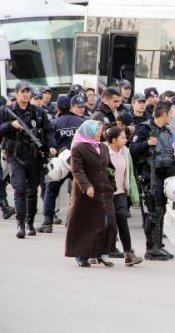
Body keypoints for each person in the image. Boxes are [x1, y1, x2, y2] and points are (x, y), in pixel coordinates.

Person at [0, 81, 56, 238]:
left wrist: (51, 146)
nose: (25, 94)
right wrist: (11, 125)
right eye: (22, 91)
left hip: (35, 156)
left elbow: (48, 130)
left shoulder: (38, 112)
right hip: (16, 156)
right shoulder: (6, 111)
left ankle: (30, 221)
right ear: (17, 93)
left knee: (32, 191)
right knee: (19, 190)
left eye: (27, 91)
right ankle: (21, 224)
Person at [130, 101, 175, 261]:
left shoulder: (167, 131)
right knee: (153, 211)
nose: (172, 116)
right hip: (149, 174)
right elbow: (132, 149)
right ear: (164, 114)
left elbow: (169, 152)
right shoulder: (145, 129)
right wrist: (146, 143)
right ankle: (150, 248)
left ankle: (158, 246)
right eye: (170, 113)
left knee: (161, 211)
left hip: (164, 174)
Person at [65, 120, 117, 267]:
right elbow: (77, 170)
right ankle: (82, 255)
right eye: (96, 129)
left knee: (107, 222)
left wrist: (111, 184)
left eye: (100, 129)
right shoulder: (78, 148)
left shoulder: (103, 147)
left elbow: (109, 168)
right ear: (88, 131)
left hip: (103, 190)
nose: (99, 132)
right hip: (85, 193)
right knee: (86, 224)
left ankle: (103, 253)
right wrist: (86, 186)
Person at [37, 95, 86, 233]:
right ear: (70, 107)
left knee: (50, 190)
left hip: (60, 163)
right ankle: (72, 220)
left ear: (57, 108)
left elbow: (48, 142)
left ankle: (47, 222)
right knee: (80, 192)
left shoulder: (54, 123)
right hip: (78, 162)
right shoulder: (82, 122)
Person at [105, 127, 143, 266]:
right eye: (122, 138)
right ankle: (98, 252)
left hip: (120, 192)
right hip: (106, 193)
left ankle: (128, 252)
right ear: (113, 140)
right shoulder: (103, 150)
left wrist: (133, 194)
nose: (125, 140)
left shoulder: (125, 151)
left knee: (122, 217)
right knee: (106, 223)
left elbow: (130, 173)